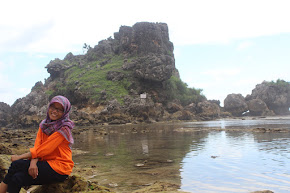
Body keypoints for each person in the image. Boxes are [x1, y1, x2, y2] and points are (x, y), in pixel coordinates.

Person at [0, 95, 75, 193]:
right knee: (17, 178)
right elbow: (38, 146)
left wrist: (19, 157)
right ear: (49, 107)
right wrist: (33, 162)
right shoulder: (44, 125)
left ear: (65, 113)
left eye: (60, 110)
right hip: (45, 163)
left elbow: (45, 149)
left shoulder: (64, 129)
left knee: (16, 164)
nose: (55, 111)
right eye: (53, 107)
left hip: (59, 168)